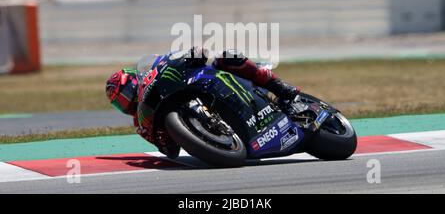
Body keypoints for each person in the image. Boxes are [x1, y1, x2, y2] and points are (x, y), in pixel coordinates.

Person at [105, 47, 300, 158]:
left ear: (135, 80)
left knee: (227, 56)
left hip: (204, 82)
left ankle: (278, 86)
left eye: (125, 93)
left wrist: (191, 54)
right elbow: (170, 151)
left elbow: (195, 53)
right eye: (119, 103)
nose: (126, 101)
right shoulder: (141, 124)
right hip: (219, 144)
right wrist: (163, 139)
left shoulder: (156, 73)